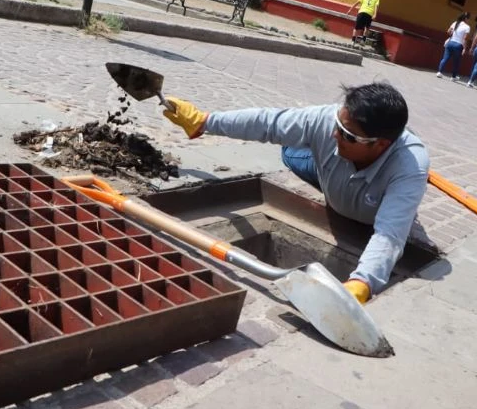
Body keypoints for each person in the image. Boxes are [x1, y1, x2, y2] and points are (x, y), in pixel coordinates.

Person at [161, 83, 430, 305]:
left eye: (348, 135)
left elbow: (390, 235)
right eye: (338, 124)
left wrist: (362, 282)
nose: (335, 134)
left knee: (386, 205)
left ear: (380, 144)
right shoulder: (328, 123)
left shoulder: (409, 169)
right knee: (290, 150)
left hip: (367, 198)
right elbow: (269, 123)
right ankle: (313, 158)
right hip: (325, 170)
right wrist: (204, 122)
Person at [436, 12, 471, 81]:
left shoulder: (455, 23)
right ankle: (453, 77)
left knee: (445, 58)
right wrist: (464, 48)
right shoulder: (467, 27)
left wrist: (452, 35)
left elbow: (448, 31)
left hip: (450, 43)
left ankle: (439, 72)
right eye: (468, 19)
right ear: (466, 19)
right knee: (456, 62)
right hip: (458, 45)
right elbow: (465, 38)